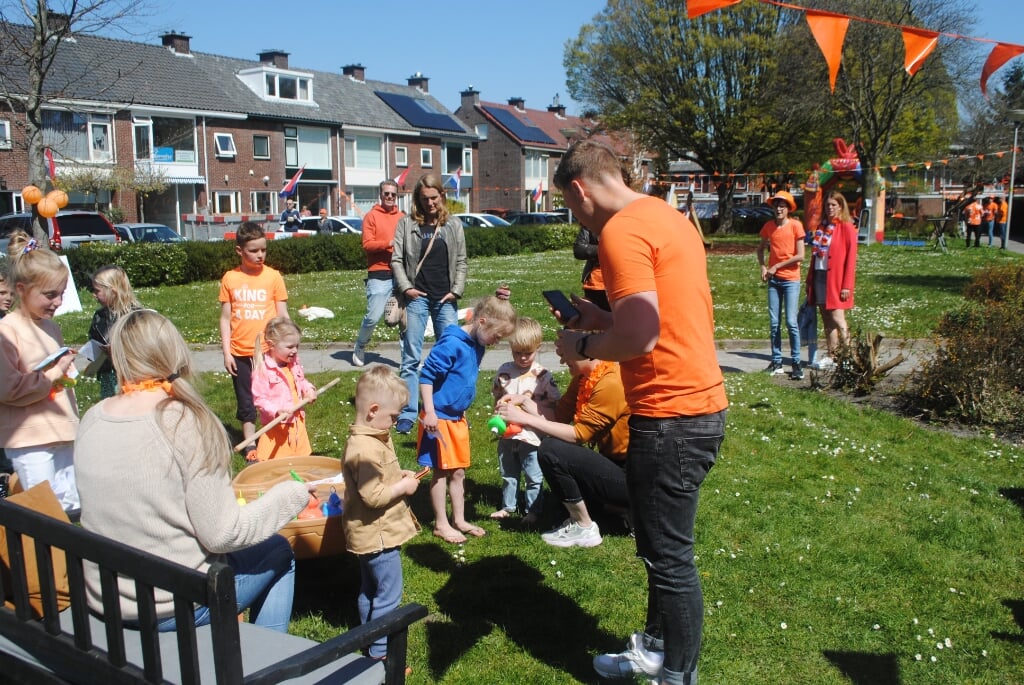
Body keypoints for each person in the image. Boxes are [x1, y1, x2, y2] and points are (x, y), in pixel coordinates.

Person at [551, 140, 727, 685]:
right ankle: (654, 650)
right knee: (656, 546)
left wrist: (581, 349)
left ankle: (677, 675)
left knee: (669, 558)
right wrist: (598, 316)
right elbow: (657, 311)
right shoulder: (664, 215)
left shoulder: (620, 231)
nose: (574, 218)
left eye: (569, 206)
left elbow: (643, 333)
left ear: (580, 189)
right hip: (696, 405)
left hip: (671, 414)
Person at [75, 309, 310, 633]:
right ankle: (269, 661)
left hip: (106, 598)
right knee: (279, 552)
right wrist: (290, 495)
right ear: (176, 352)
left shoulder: (93, 417)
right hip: (175, 603)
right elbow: (224, 533)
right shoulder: (185, 423)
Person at [496, 356, 630, 549]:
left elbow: (578, 435)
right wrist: (524, 402)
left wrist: (524, 418)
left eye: (564, 351)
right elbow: (559, 417)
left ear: (583, 347)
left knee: (551, 449)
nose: (560, 360)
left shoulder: (611, 382)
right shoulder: (584, 377)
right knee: (556, 449)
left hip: (633, 476)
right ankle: (611, 509)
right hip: (612, 463)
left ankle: (585, 525)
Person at [417, 295, 516, 544]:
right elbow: (426, 377)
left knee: (458, 472)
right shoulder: (451, 343)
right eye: (497, 336)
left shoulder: (477, 343)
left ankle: (458, 519)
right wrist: (429, 412)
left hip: (456, 418)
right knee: (440, 472)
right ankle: (441, 524)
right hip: (438, 418)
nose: (496, 342)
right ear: (481, 322)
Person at [341, 365, 420, 659]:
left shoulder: (370, 439)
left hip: (369, 535)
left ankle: (366, 636)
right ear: (374, 410)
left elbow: (378, 479)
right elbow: (373, 496)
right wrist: (403, 489)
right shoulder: (365, 450)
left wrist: (399, 475)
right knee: (388, 595)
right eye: (394, 417)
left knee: (370, 590)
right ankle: (380, 652)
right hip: (379, 535)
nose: (395, 422)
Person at [0, 232, 80, 512]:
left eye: (62, 294)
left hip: (61, 431)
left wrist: (66, 370)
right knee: (44, 512)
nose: (58, 302)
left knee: (70, 507)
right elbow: (7, 389)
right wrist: (52, 375)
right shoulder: (7, 331)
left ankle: (69, 557)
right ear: (21, 289)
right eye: (50, 295)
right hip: (30, 439)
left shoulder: (50, 327)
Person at [391, 174, 468, 434]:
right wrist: (407, 288)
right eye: (424, 199)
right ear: (417, 199)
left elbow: (461, 261)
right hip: (417, 299)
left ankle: (445, 408)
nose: (430, 204)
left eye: (434, 198)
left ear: (442, 196)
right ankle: (409, 411)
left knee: (450, 355)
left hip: (445, 298)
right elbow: (397, 260)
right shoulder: (406, 224)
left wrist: (456, 291)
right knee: (411, 357)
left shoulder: (453, 225)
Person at [219, 222, 289, 460]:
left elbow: (283, 314)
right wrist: (227, 353)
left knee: (272, 397)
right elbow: (225, 318)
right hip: (240, 353)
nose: (260, 255)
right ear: (240, 251)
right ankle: (250, 446)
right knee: (246, 402)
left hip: (268, 352)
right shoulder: (230, 278)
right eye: (254, 250)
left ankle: (275, 441)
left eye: (263, 250)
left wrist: (289, 344)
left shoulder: (273, 277)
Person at [489, 316, 560, 525]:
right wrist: (497, 411)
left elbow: (554, 405)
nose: (522, 358)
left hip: (531, 436)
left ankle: (533, 510)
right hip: (507, 434)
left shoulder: (543, 376)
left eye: (527, 353)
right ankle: (507, 506)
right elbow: (496, 395)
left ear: (538, 347)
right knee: (508, 472)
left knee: (533, 474)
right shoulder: (504, 370)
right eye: (517, 353)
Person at [353, 180, 405, 366]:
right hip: (379, 273)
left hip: (400, 273)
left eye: (393, 194)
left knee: (404, 318)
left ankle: (407, 359)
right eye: (386, 194)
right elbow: (367, 244)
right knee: (373, 316)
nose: (390, 197)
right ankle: (360, 345)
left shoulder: (402, 216)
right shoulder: (371, 216)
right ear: (380, 195)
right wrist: (388, 243)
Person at [250, 317, 317, 462]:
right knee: (277, 463)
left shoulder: (292, 363)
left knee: (300, 460)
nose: (294, 351)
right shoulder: (262, 370)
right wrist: (276, 411)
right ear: (271, 345)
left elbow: (300, 380)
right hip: (277, 426)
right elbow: (259, 399)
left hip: (297, 422)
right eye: (290, 347)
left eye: (297, 346)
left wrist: (309, 389)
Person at [757, 190, 805, 380]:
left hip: (791, 279)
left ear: (788, 209)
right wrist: (763, 267)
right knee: (774, 323)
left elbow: (801, 255)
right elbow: (760, 249)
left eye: (782, 206)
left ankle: (796, 362)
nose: (779, 209)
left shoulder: (796, 226)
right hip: (774, 280)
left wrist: (776, 265)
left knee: (791, 322)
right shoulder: (769, 227)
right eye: (776, 206)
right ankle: (777, 362)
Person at [808, 190, 858, 368]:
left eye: (833, 205)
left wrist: (847, 285)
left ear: (840, 206)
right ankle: (833, 355)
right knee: (827, 319)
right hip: (820, 276)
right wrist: (809, 281)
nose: (830, 208)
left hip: (836, 279)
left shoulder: (846, 227)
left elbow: (851, 259)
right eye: (827, 205)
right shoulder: (821, 228)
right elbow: (815, 256)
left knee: (838, 317)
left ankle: (849, 355)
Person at [88, 265, 141, 398]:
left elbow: (143, 346)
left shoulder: (136, 316)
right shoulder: (100, 316)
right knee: (110, 407)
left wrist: (119, 351)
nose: (94, 295)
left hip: (132, 374)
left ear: (113, 291)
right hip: (108, 375)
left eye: (97, 291)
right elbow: (94, 340)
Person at [573, 226, 610, 311]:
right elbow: (579, 250)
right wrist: (605, 249)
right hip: (594, 285)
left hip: (620, 282)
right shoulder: (590, 222)